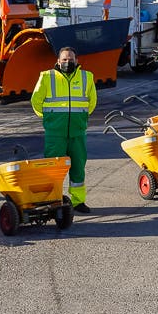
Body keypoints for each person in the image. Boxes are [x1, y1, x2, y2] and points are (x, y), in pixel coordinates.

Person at [31, 46, 97, 214]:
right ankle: (54, 201)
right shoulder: (47, 77)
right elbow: (36, 101)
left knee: (78, 167)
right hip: (55, 133)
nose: (68, 62)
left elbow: (92, 102)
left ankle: (78, 201)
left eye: (71, 59)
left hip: (77, 131)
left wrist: (80, 118)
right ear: (58, 61)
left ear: (77, 61)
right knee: (52, 170)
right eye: (65, 59)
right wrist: (49, 119)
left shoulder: (86, 77)